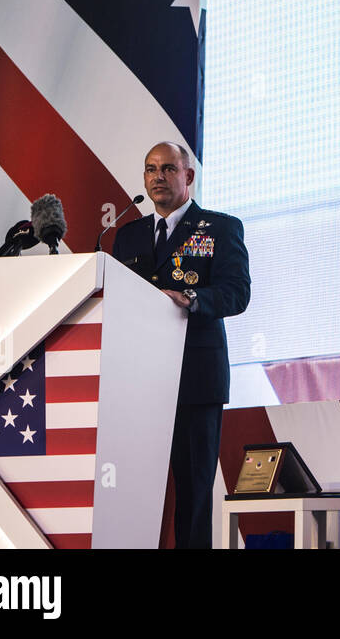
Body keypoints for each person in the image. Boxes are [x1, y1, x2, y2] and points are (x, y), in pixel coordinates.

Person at [112, 141, 251, 548]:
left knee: (192, 497)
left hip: (195, 382)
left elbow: (237, 293)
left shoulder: (220, 228)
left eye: (168, 169)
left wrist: (193, 300)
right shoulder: (128, 236)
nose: (158, 177)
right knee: (135, 493)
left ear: (188, 177)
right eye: (151, 169)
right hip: (141, 384)